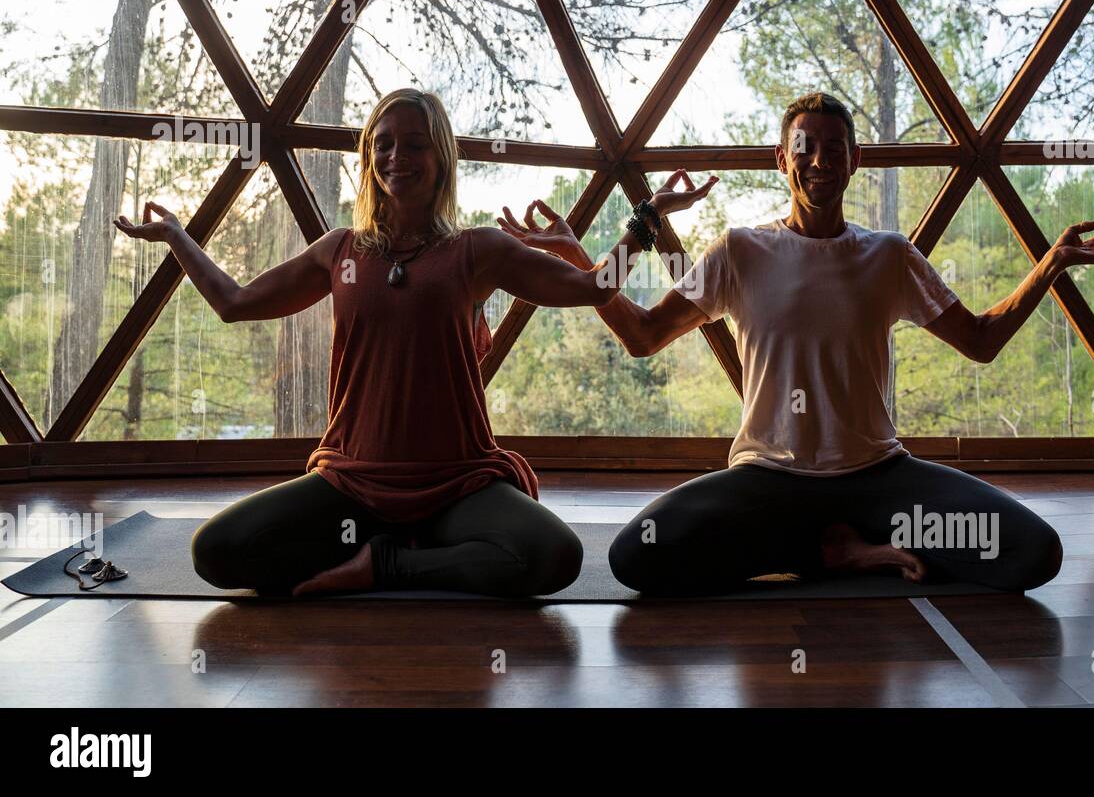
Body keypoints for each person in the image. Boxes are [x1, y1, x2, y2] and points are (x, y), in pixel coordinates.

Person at [500, 91, 1094, 596]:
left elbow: (980, 340)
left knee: (1033, 552)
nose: (821, 157)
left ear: (854, 160)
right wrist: (604, 245)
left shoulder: (889, 256)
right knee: (637, 553)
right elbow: (641, 335)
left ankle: (829, 546)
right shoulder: (742, 251)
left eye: (836, 147)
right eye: (804, 146)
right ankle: (834, 552)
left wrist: (1051, 264)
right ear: (783, 160)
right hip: (768, 485)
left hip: (882, 484)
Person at [112, 88, 715, 598]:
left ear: (442, 157)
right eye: (385, 144)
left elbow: (592, 288)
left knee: (554, 556)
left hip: (456, 485)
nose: (398, 156)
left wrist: (648, 216)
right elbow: (235, 303)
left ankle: (386, 564)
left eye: (415, 144)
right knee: (216, 552)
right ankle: (406, 551)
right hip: (351, 483)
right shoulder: (340, 251)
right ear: (371, 157)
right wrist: (176, 236)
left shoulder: (477, 251)